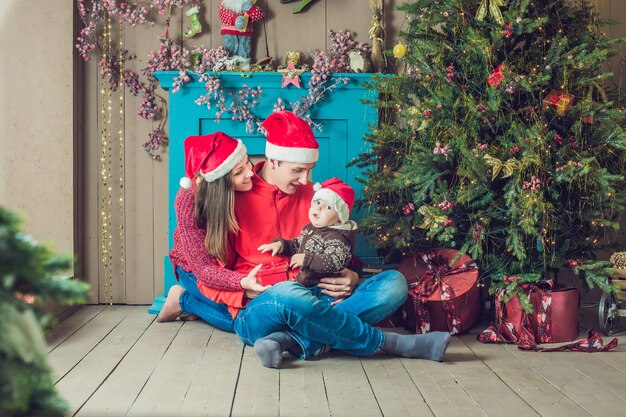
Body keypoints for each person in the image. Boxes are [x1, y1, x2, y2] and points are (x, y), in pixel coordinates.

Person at [158, 113, 452, 369]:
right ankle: (392, 344)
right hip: (261, 303)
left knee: (393, 284)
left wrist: (351, 274)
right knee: (288, 295)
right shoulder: (229, 196)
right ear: (272, 159)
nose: (305, 179)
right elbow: (209, 272)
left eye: (309, 170)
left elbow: (336, 249)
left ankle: (289, 340)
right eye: (297, 170)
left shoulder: (317, 198)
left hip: (312, 295)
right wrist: (248, 292)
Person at [257, 177, 357, 288]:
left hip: (321, 286)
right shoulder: (310, 228)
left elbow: (336, 260)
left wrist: (307, 260)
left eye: (328, 207)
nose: (319, 208)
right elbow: (297, 244)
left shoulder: (336, 237)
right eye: (317, 202)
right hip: (304, 282)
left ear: (339, 219)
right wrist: (281, 244)